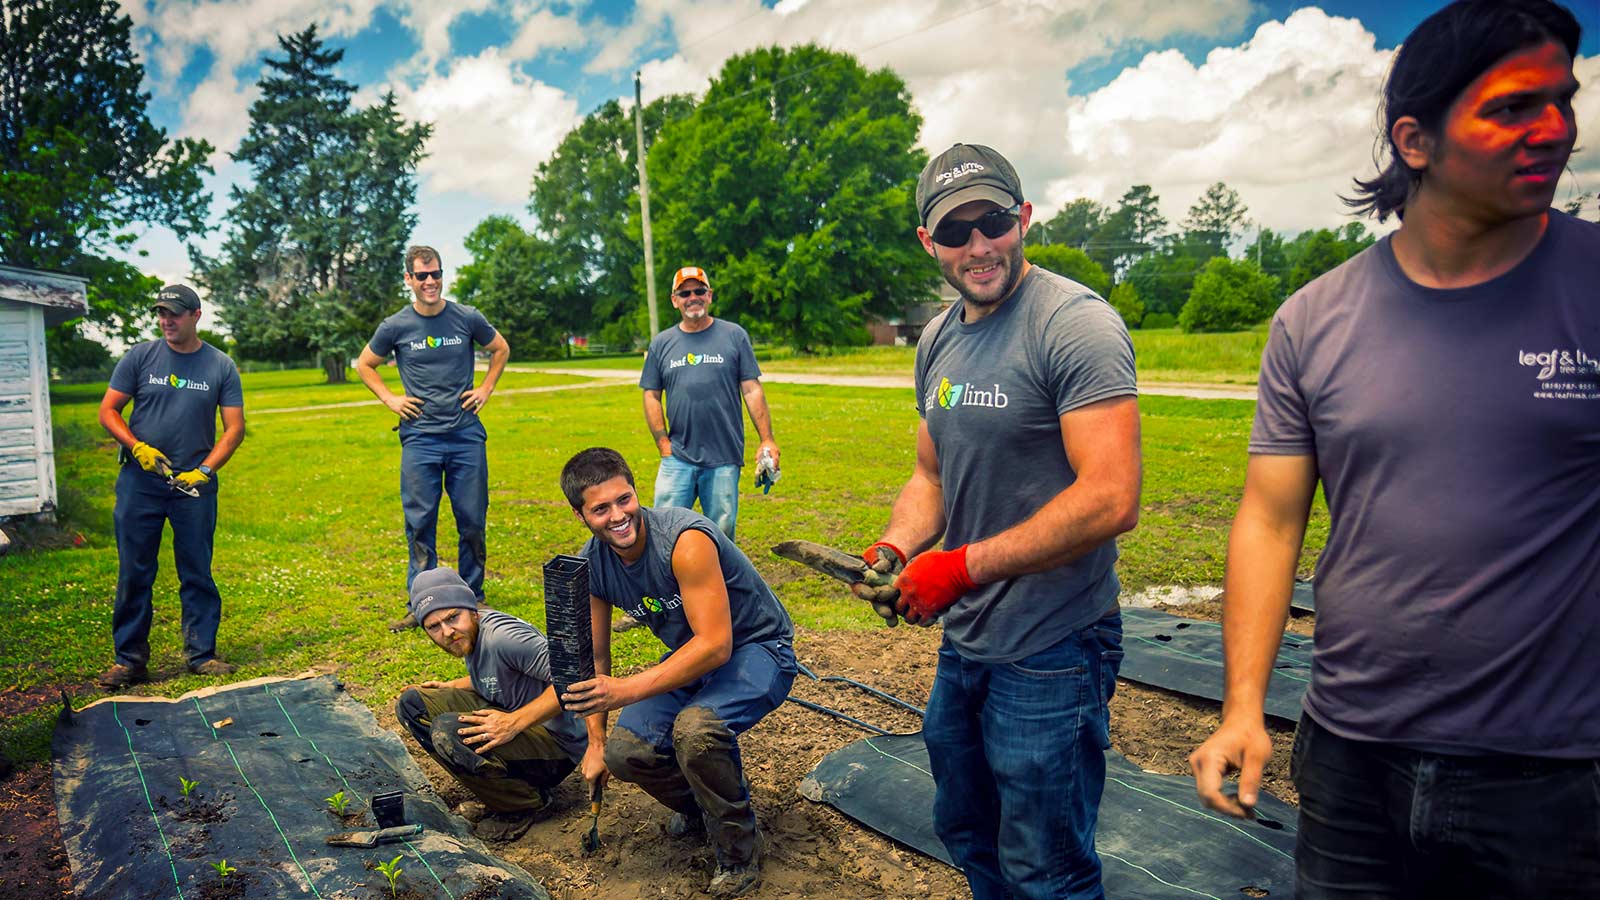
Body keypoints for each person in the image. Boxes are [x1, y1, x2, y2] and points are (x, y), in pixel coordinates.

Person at [1188, 2, 1598, 897]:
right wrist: (1244, 708)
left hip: (1559, 777)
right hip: (1352, 759)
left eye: (1563, 101)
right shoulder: (1315, 318)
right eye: (1513, 107)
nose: (1556, 129)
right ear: (1415, 140)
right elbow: (1268, 519)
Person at [852, 144, 1141, 900]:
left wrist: (959, 567)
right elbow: (931, 474)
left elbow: (1112, 497)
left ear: (1024, 218)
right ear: (929, 243)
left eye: (995, 221)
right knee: (966, 828)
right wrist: (898, 545)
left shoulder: (1074, 326)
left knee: (1045, 868)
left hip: (1054, 642)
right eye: (957, 231)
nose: (979, 246)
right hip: (969, 639)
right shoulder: (940, 339)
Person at [558, 447, 796, 897]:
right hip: (696, 654)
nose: (618, 516)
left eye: (624, 499)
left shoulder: (685, 541)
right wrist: (596, 742)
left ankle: (739, 850)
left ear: (636, 491)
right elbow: (597, 657)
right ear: (580, 514)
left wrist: (625, 690)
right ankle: (703, 806)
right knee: (627, 753)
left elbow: (716, 644)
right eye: (601, 509)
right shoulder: (591, 566)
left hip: (757, 648)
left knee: (697, 729)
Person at [96, 284, 246, 688]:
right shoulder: (140, 357)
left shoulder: (219, 365)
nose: (166, 321)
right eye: (161, 313)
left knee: (196, 569)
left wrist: (205, 471)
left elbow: (234, 430)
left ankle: (201, 653)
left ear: (196, 315)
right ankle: (129, 661)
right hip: (140, 481)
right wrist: (136, 446)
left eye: (174, 314)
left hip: (193, 486)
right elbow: (109, 411)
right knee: (135, 569)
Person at [356, 245, 510, 626]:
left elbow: (500, 348)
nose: (430, 282)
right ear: (408, 279)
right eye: (422, 275)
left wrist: (486, 389)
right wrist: (390, 399)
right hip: (420, 438)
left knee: (472, 518)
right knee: (420, 521)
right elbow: (365, 364)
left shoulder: (466, 317)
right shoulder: (396, 326)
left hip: (465, 434)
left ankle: (474, 595)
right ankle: (421, 601)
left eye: (436, 274)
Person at [395, 567, 588, 840]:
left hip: (558, 745)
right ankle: (498, 788)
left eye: (453, 617)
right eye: (434, 626)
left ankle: (523, 804)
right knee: (413, 704)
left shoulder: (503, 638)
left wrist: (512, 722)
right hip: (517, 721)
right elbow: (497, 674)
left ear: (472, 610)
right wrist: (449, 687)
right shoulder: (471, 635)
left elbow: (576, 678)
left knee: (450, 731)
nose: (447, 632)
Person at [639, 266, 778, 541]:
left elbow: (752, 389)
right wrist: (662, 443)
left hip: (724, 456)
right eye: (685, 292)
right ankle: (666, 582)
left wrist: (767, 440)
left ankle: (718, 581)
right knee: (663, 529)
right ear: (674, 299)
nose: (693, 297)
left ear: (709, 295)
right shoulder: (661, 343)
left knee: (722, 532)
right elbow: (651, 394)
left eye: (699, 290)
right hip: (677, 457)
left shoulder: (734, 336)